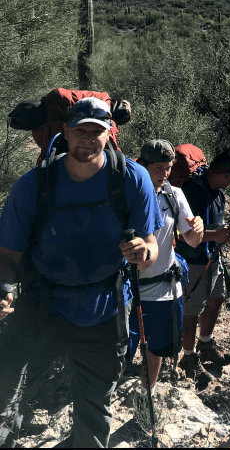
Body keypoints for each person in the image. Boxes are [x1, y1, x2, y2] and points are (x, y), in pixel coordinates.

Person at [0, 97, 163, 449]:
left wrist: (144, 253)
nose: (88, 139)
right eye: (80, 131)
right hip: (43, 305)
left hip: (104, 310)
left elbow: (151, 245)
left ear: (109, 134)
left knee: (93, 410)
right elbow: (8, 256)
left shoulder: (131, 179)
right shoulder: (34, 186)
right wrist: (3, 288)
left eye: (97, 131)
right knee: (5, 391)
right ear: (66, 133)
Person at [128, 139, 204, 402]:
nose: (164, 174)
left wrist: (198, 230)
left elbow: (192, 241)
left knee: (157, 349)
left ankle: (145, 396)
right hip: (128, 290)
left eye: (169, 167)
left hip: (163, 289)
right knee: (121, 349)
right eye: (158, 168)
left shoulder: (175, 195)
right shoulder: (127, 195)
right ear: (141, 165)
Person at [175, 151, 230, 382]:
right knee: (191, 311)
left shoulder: (217, 193)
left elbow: (214, 228)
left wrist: (226, 237)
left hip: (212, 257)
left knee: (217, 297)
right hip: (193, 261)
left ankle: (206, 344)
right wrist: (217, 236)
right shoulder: (193, 191)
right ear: (224, 174)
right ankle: (188, 357)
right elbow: (182, 235)